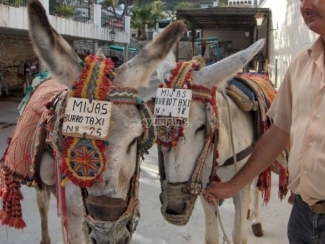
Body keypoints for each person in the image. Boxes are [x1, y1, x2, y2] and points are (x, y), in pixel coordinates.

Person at [202, 0, 325, 243]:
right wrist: (232, 186)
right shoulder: (301, 64)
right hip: (302, 216)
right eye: (301, 0)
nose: (305, 5)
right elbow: (278, 132)